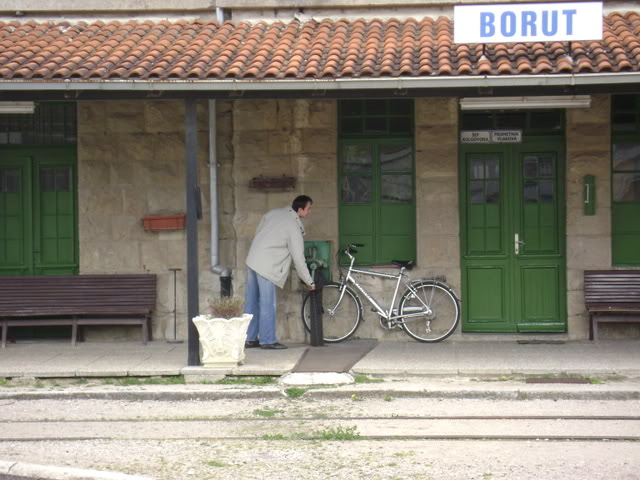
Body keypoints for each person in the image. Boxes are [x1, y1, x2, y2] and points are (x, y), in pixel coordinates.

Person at [244, 195, 316, 349]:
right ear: (300, 209)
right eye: (309, 209)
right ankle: (268, 341)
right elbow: (299, 258)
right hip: (267, 266)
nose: (310, 212)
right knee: (268, 303)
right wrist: (309, 281)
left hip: (253, 259)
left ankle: (250, 338)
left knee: (251, 301)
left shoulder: (274, 213)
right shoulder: (293, 226)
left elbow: (259, 232)